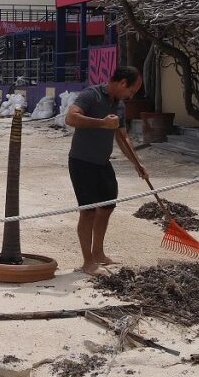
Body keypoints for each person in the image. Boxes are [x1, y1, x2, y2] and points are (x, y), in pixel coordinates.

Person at [64, 66, 149, 277]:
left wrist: (137, 163)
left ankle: (99, 252)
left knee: (108, 206)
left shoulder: (118, 105)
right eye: (132, 90)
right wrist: (102, 123)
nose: (132, 96)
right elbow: (70, 118)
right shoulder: (91, 95)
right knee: (89, 211)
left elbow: (122, 136)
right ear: (122, 84)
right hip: (82, 162)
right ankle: (88, 262)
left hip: (103, 163)